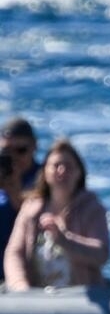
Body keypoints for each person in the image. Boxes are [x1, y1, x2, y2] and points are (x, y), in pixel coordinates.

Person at [4, 138, 109, 290]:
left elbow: (101, 254)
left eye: (69, 166)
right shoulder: (31, 209)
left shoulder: (91, 209)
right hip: (37, 299)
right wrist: (21, 287)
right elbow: (14, 253)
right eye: (56, 166)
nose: (62, 171)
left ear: (79, 173)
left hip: (81, 300)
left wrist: (64, 240)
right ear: (45, 172)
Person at [0, 117, 42, 283]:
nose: (14, 157)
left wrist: (15, 193)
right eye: (7, 151)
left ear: (34, 147)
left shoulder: (44, 178)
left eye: (21, 150)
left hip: (29, 270)